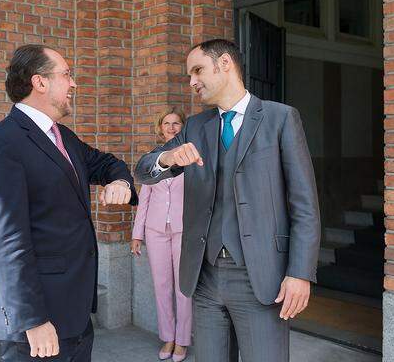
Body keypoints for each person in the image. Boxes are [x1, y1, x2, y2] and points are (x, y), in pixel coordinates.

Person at [134, 38, 321, 362]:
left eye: (197, 71)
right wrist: (169, 158)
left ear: (224, 65)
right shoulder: (195, 126)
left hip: (261, 277)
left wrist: (300, 272)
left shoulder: (280, 118)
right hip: (204, 277)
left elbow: (304, 205)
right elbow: (143, 170)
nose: (192, 82)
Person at [0, 44, 138, 362]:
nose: (73, 83)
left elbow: (106, 163)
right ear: (40, 82)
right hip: (37, 322)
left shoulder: (63, 136)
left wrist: (120, 182)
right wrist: (32, 320)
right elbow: (5, 242)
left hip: (74, 313)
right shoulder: (2, 143)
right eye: (66, 74)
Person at [130, 108, 191, 362]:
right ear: (160, 128)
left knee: (183, 288)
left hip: (183, 230)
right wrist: (137, 234)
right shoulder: (151, 159)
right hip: (155, 231)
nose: (172, 127)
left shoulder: (189, 158)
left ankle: (183, 340)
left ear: (183, 127)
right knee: (162, 286)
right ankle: (168, 337)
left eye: (177, 123)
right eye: (167, 123)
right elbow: (143, 201)